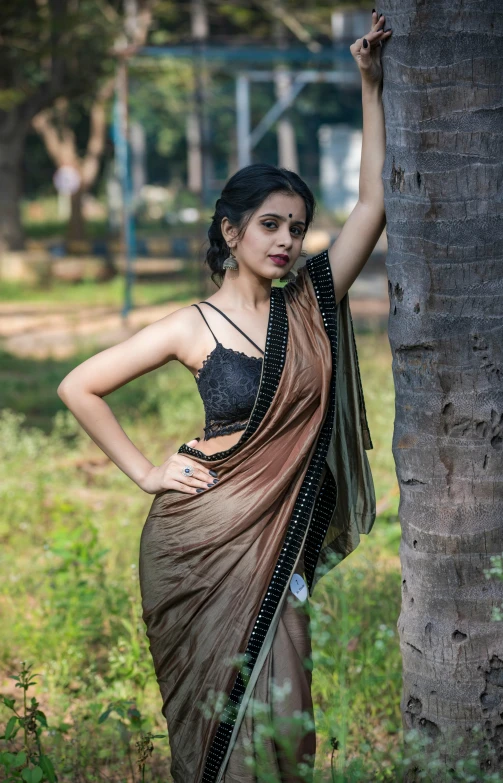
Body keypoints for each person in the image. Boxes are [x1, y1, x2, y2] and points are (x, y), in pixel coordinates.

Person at [57, 11, 390, 782]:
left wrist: (368, 85)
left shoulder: (310, 301)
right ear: (230, 229)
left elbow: (371, 205)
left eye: (298, 228)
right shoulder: (190, 325)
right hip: (198, 538)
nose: (286, 240)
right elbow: (81, 385)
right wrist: (146, 472)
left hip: (280, 537)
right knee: (213, 713)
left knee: (281, 710)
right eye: (270, 224)